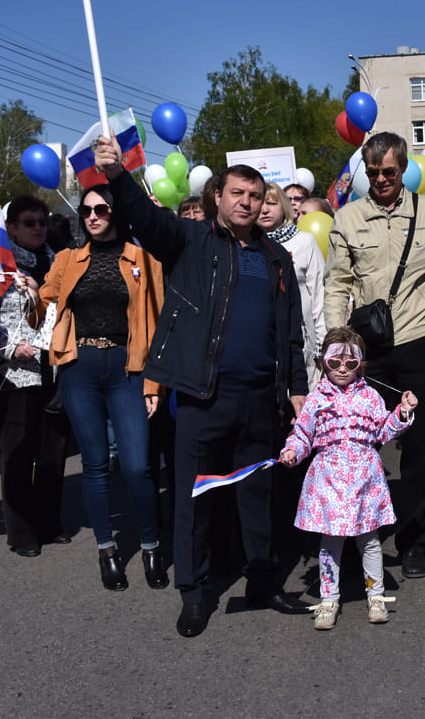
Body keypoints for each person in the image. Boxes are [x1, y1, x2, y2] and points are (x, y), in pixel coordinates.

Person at [95, 135, 311, 638]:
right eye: (237, 193)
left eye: (255, 197)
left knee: (257, 498)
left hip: (260, 400)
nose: (246, 203)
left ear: (264, 204)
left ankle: (261, 580)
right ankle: (194, 593)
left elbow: (292, 331)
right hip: (200, 397)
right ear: (219, 196)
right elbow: (145, 221)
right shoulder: (190, 243)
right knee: (194, 500)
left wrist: (296, 387)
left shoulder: (276, 260)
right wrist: (116, 175)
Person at [323, 131, 425, 580]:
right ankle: (352, 535)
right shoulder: (348, 218)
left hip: (418, 342)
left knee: (417, 449)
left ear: (403, 169)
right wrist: (335, 344)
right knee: (353, 445)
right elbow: (337, 283)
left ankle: (414, 542)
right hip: (367, 351)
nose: (382, 179)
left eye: (389, 171)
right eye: (373, 172)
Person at [40, 185, 168, 591]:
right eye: (87, 210)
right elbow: (45, 303)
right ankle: (106, 551)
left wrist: (154, 382)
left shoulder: (144, 259)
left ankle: (150, 547)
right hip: (80, 367)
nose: (93, 216)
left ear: (116, 213)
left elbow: (161, 320)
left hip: (128, 369)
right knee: (94, 465)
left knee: (136, 465)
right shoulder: (67, 259)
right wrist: (31, 294)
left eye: (101, 209)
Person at [279, 327, 418, 629]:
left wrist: (402, 413)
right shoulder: (316, 399)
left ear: (360, 365)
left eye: (351, 364)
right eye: (335, 363)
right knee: (331, 543)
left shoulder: (370, 396)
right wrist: (292, 451)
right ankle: (329, 600)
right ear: (324, 363)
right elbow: (303, 434)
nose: (343, 369)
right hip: (328, 479)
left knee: (369, 541)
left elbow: (383, 431)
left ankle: (376, 595)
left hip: (364, 478)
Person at [0, 195, 68, 554]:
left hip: (55, 372)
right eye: (29, 223)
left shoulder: (56, 264)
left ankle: (49, 523)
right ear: (12, 229)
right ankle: (21, 533)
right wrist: (9, 348)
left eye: (42, 222)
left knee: (52, 455)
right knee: (18, 456)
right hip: (18, 376)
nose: (38, 228)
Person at [258, 183, 326, 362]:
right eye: (260, 204)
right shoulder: (246, 245)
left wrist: (324, 341)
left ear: (284, 207)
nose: (265, 210)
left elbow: (319, 293)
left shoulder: (305, 242)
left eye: (272, 204)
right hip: (262, 343)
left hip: (303, 342)